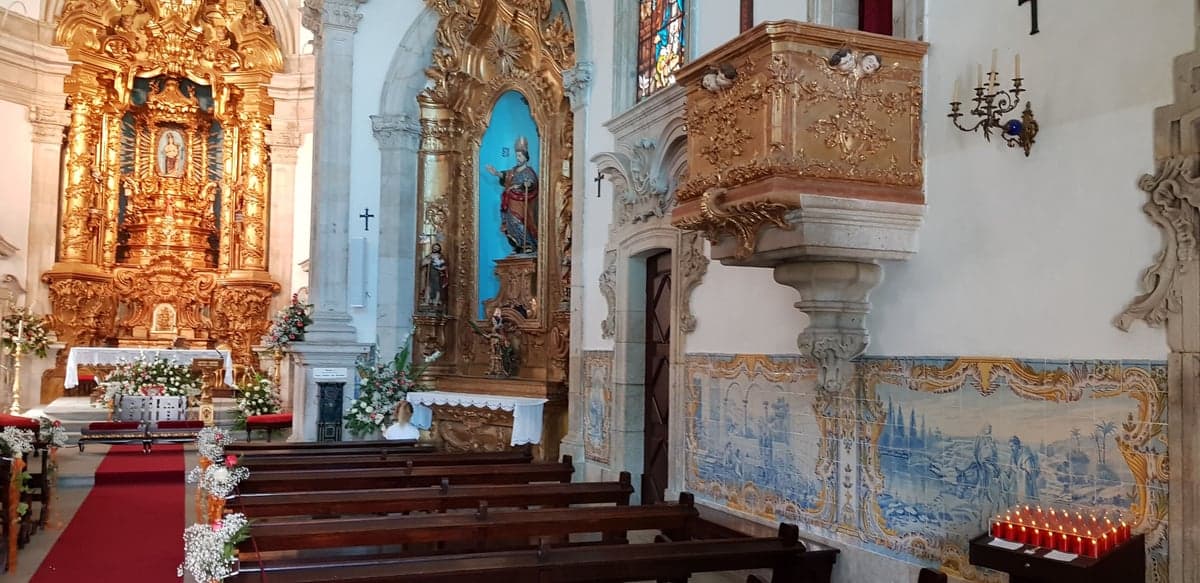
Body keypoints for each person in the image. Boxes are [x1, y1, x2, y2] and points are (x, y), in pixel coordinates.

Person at [485, 136, 538, 254]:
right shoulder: (514, 171)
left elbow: (532, 183)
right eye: (517, 156)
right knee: (509, 222)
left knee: (518, 220)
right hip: (510, 200)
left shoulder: (528, 171)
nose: (518, 158)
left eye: (520, 156)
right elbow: (506, 176)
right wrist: (496, 173)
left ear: (526, 157)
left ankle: (527, 243)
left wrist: (523, 185)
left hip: (521, 203)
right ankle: (517, 244)